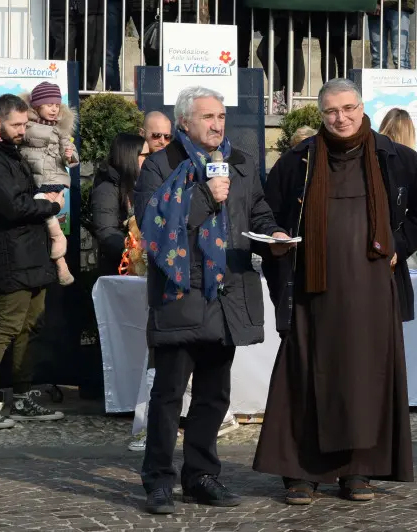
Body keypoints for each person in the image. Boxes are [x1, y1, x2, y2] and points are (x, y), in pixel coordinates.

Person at [254, 79, 417, 505]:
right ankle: (300, 473)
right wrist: (276, 235)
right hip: (312, 291)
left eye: (348, 108)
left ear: (362, 107)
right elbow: (264, 210)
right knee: (305, 377)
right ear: (320, 114)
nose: (341, 118)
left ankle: (360, 470)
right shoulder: (299, 160)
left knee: (365, 379)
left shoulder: (395, 158)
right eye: (331, 112)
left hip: (373, 290)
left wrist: (399, 244)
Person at [134, 86, 288, 514]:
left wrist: (272, 234)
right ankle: (159, 481)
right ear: (184, 122)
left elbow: (256, 210)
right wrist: (204, 196)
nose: (217, 124)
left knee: (214, 394)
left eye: (221, 116)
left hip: (227, 293)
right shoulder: (160, 166)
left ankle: (201, 475)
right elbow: (153, 228)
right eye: (207, 117)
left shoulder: (240, 163)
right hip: (180, 293)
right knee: (168, 395)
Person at [0, 94, 66, 429]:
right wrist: (50, 205)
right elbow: (11, 206)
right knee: (6, 326)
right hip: (11, 251)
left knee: (29, 326)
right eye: (16, 125)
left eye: (24, 124)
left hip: (30, 251)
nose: (22, 130)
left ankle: (22, 397)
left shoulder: (6, 151)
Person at [0, 82, 79, 286]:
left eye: (57, 105)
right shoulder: (26, 122)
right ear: (36, 105)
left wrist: (70, 156)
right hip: (35, 178)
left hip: (52, 178)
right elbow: (0, 123)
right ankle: (59, 263)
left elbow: (70, 155)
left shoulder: (60, 130)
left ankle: (59, 241)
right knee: (38, 213)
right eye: (49, 104)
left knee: (43, 205)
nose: (54, 109)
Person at [91, 133, 148, 276]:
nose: (150, 160)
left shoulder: (138, 183)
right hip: (120, 271)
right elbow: (107, 232)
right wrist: (135, 252)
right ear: (130, 157)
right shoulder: (107, 188)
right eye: (145, 155)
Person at [49, 0, 104, 91]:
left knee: (90, 55)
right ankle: (63, 93)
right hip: (61, 9)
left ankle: (85, 95)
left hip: (92, 8)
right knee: (63, 54)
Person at [368, 0, 414, 70]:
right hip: (375, 8)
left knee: (400, 59)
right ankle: (379, 80)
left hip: (400, 5)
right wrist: (371, 4)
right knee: (378, 59)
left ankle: (403, 80)